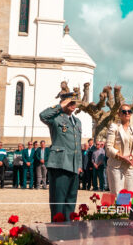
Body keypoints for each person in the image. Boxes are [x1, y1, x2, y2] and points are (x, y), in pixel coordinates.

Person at [40, 93, 83, 222]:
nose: (73, 105)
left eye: (74, 102)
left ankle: (68, 227)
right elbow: (43, 115)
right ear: (64, 102)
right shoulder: (56, 118)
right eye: (70, 102)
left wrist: (79, 165)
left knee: (71, 201)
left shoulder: (77, 121)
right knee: (58, 201)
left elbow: (78, 145)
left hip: (74, 166)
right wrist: (60, 106)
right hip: (60, 164)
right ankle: (57, 228)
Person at [105, 104, 133, 194]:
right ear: (119, 114)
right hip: (116, 167)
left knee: (128, 196)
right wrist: (122, 157)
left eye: (129, 111)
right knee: (118, 196)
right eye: (124, 111)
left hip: (131, 167)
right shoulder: (114, 127)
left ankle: (126, 205)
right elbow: (108, 148)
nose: (127, 113)